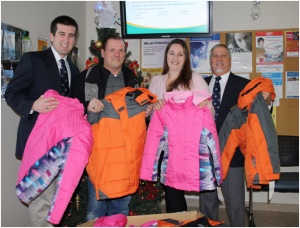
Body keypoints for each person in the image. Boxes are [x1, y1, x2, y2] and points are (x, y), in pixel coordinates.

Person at [4, 15, 80, 226]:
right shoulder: (33, 60)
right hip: (37, 145)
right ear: (52, 36)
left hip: (62, 147)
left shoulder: (73, 70)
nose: (66, 40)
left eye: (71, 35)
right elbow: (12, 93)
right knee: (41, 203)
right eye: (62, 34)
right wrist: (32, 105)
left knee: (57, 202)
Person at [143, 38, 215, 213]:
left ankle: (183, 222)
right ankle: (177, 221)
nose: (175, 58)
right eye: (172, 53)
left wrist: (203, 105)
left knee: (179, 186)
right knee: (171, 189)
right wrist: (153, 107)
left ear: (186, 58)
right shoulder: (157, 81)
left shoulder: (195, 79)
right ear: (166, 56)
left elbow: (210, 112)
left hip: (186, 145)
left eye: (180, 54)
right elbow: (148, 113)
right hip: (165, 144)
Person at [73, 35, 141, 221]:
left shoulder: (132, 79)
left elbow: (139, 114)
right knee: (96, 209)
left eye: (120, 50)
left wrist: (147, 111)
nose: (117, 54)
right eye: (112, 50)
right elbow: (71, 108)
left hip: (125, 154)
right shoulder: (86, 78)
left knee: (121, 208)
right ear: (102, 52)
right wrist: (86, 105)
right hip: (98, 153)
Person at [199, 44, 250, 227]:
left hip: (233, 154)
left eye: (223, 56)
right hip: (206, 153)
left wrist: (267, 101)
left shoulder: (243, 85)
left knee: (235, 203)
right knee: (207, 203)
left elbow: (256, 114)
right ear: (210, 60)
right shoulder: (200, 84)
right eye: (215, 56)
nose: (219, 59)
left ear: (230, 60)